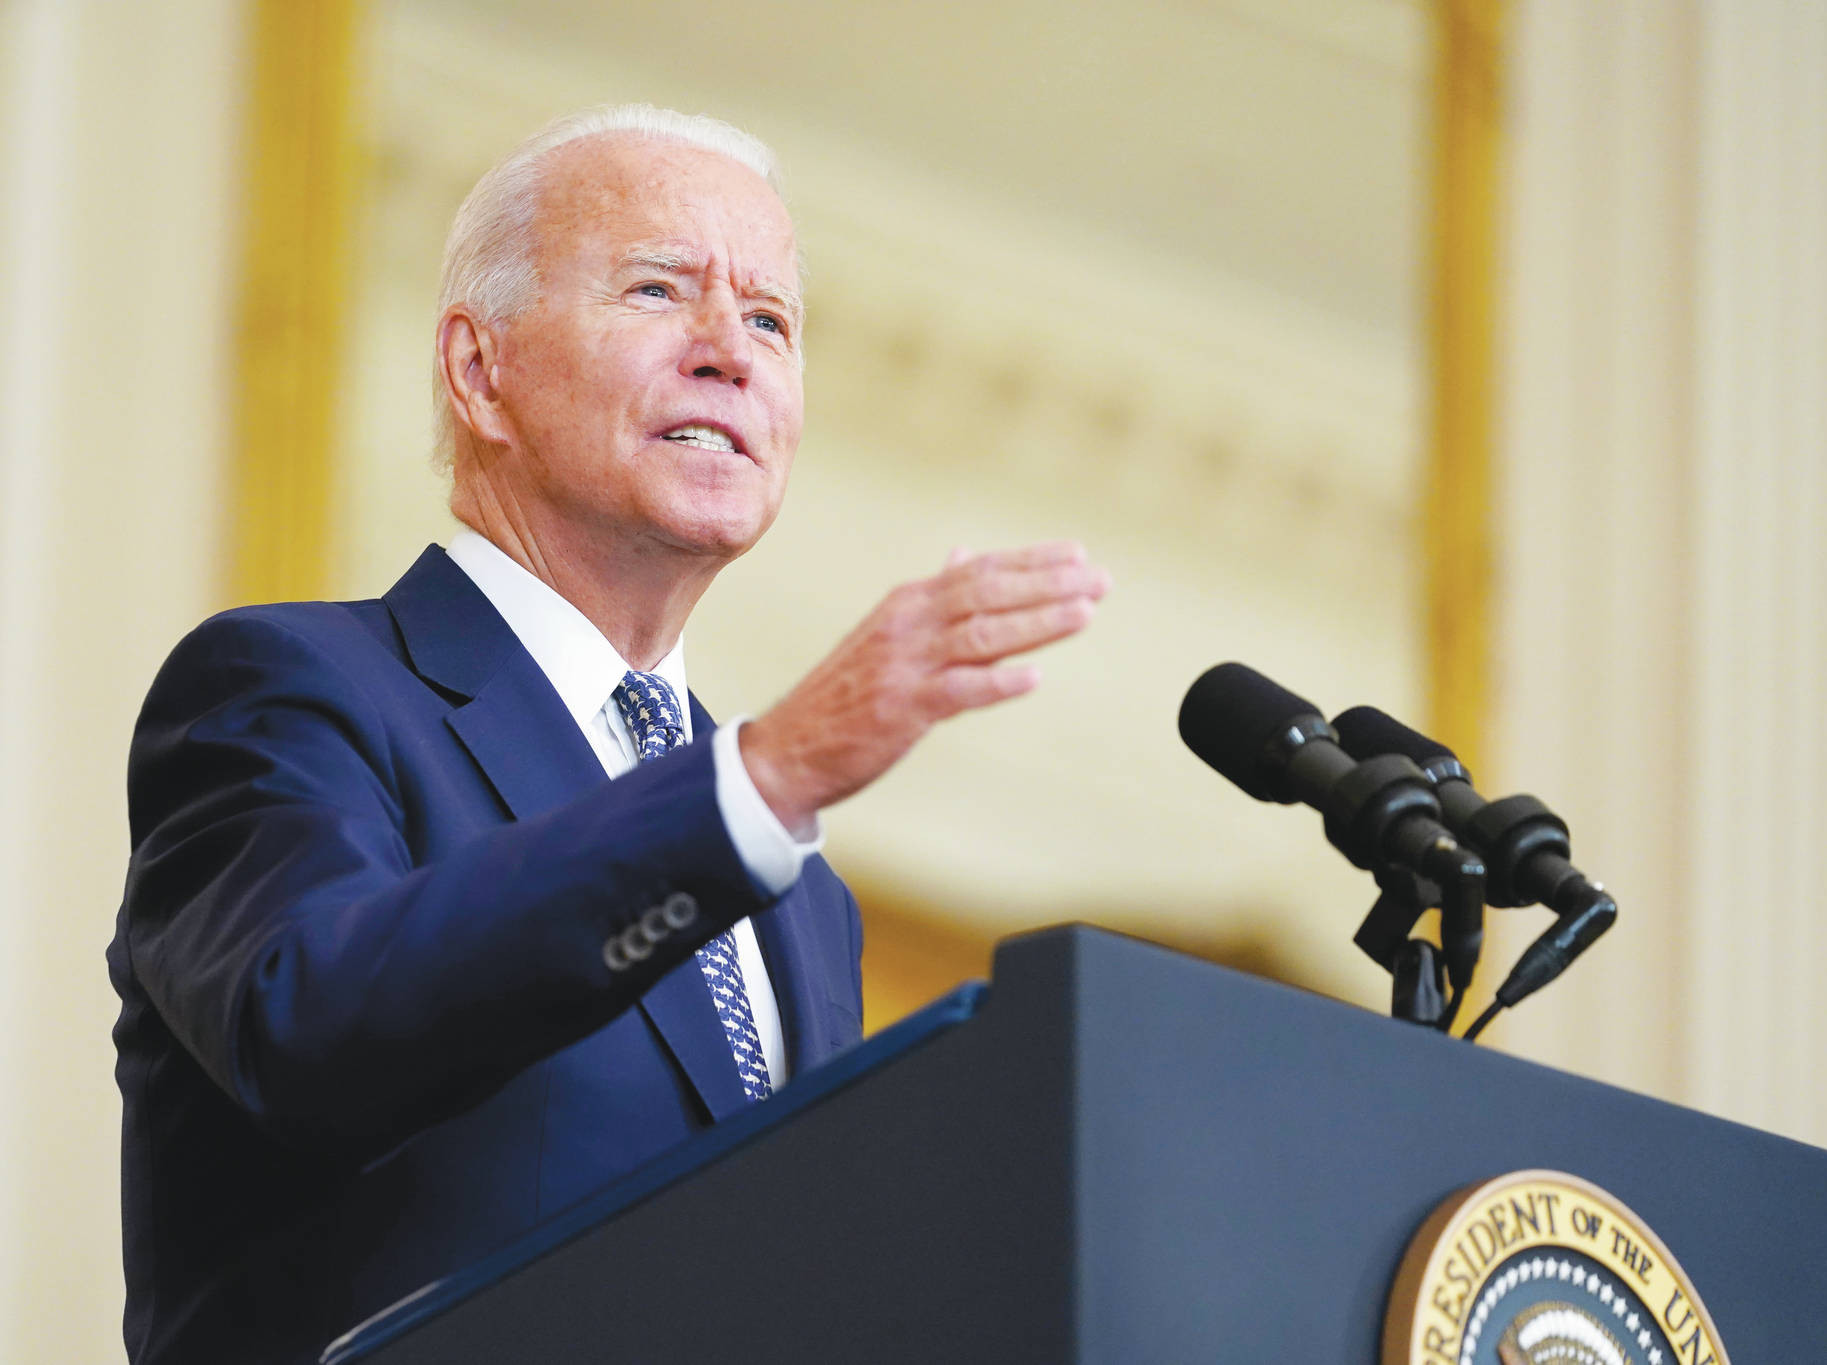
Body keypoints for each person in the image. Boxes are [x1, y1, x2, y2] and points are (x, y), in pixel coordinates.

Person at [108, 104, 1108, 1364]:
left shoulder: (806, 904)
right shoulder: (294, 690)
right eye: (657, 291)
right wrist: (761, 778)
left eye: (769, 321)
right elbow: (308, 1028)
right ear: (480, 372)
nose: (728, 355)